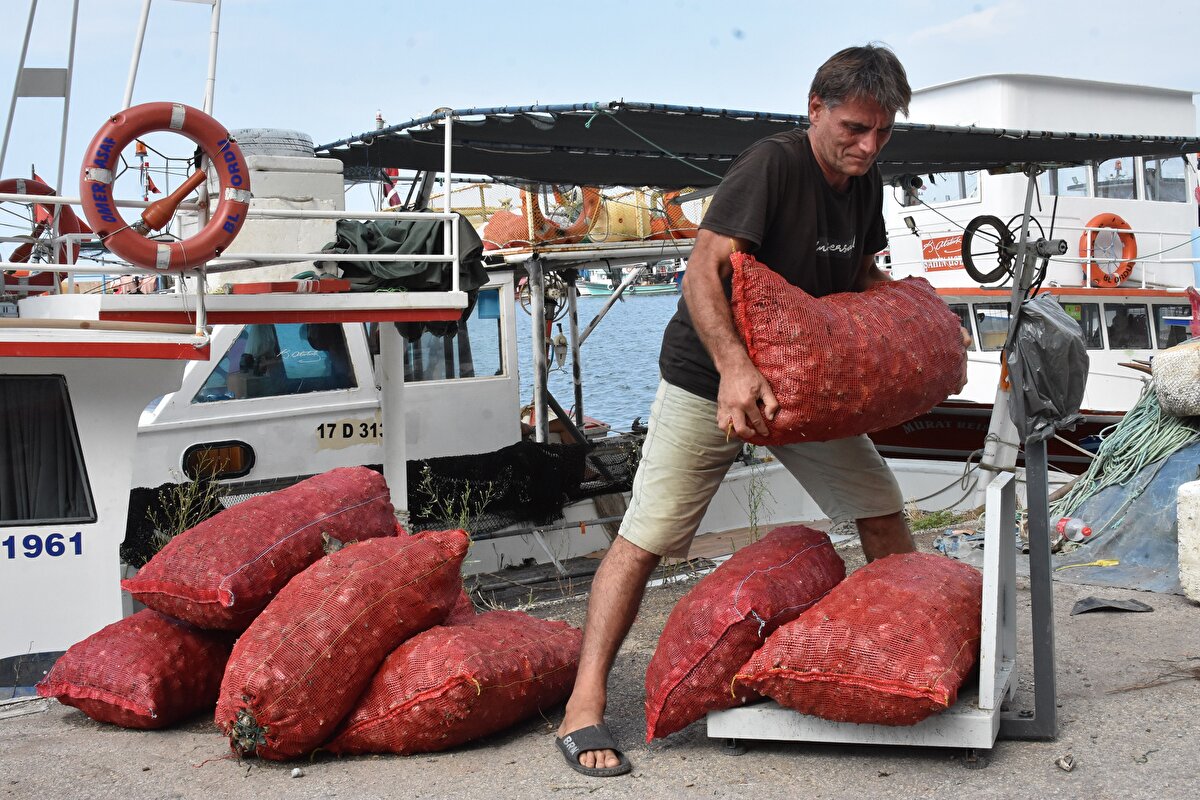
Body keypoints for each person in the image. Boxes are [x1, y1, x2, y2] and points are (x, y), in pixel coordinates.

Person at [554, 44, 966, 778]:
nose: (868, 146)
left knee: (880, 507)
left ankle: (907, 659)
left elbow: (859, 274)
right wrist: (734, 369)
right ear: (816, 110)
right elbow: (701, 274)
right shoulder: (771, 166)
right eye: (854, 129)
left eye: (882, 132)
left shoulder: (863, 181)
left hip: (802, 389)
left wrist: (912, 326)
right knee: (646, 539)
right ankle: (583, 706)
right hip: (709, 378)